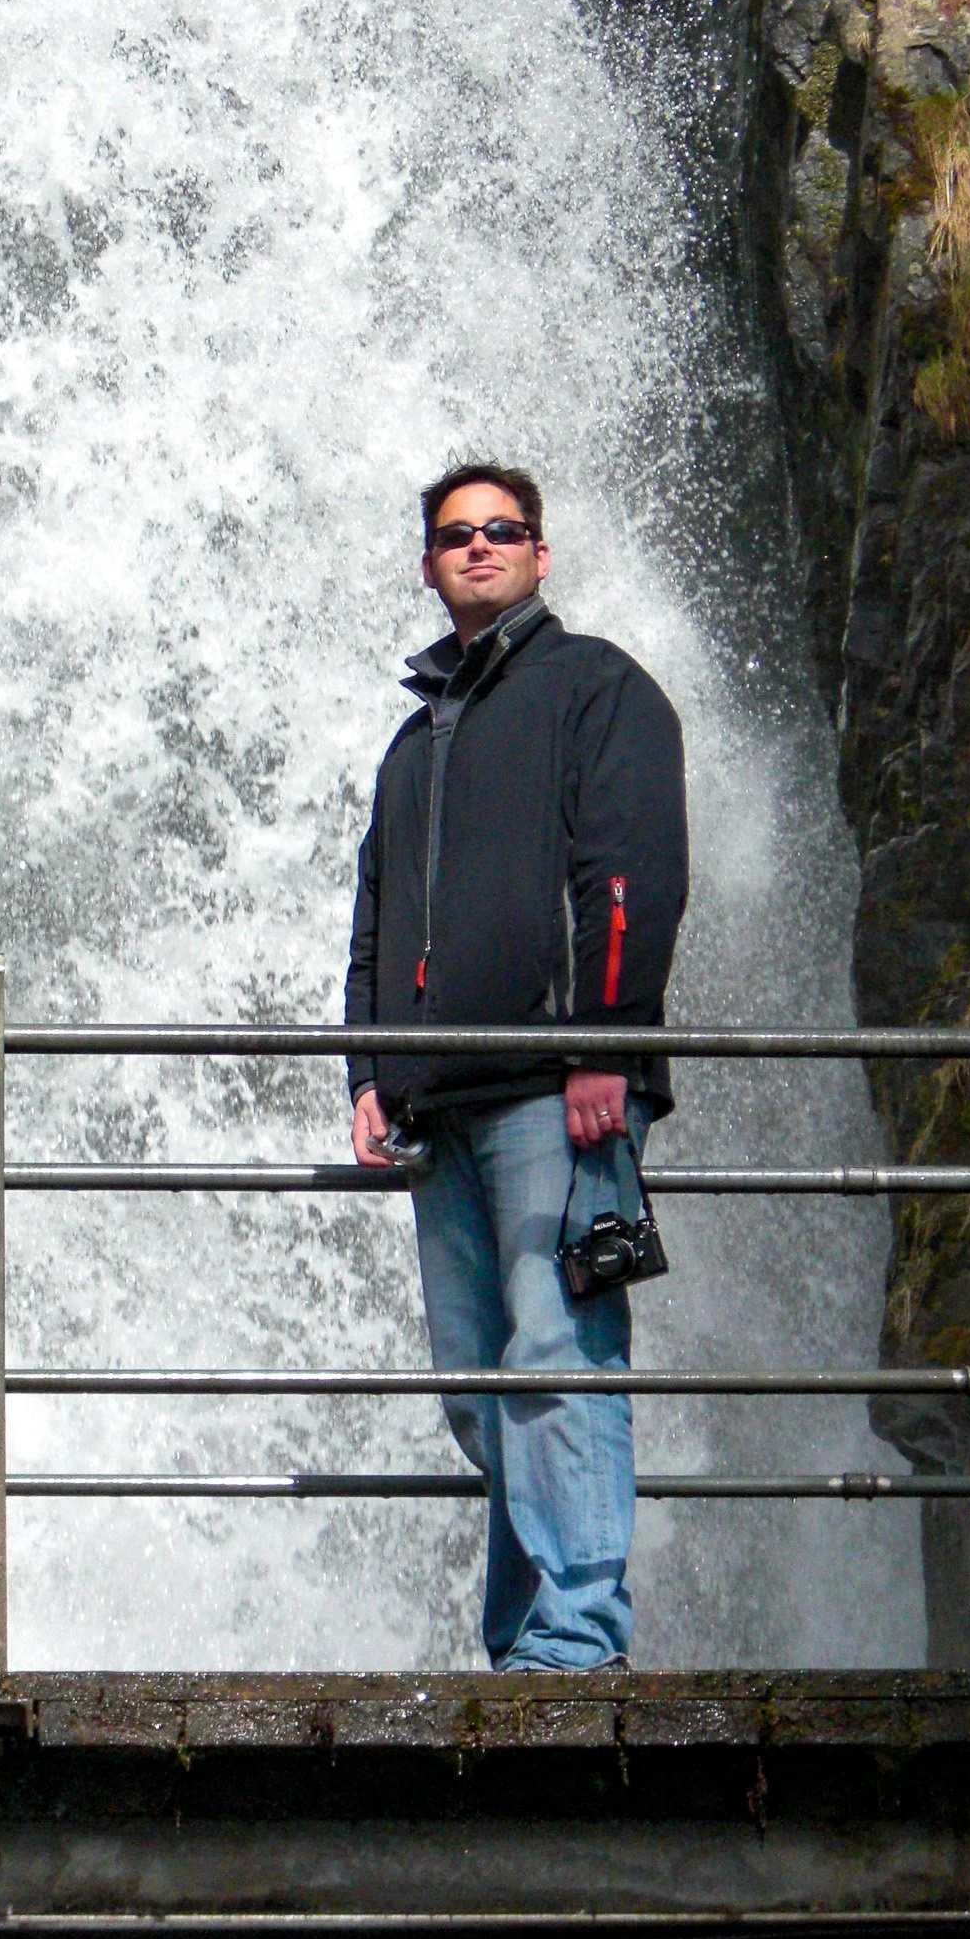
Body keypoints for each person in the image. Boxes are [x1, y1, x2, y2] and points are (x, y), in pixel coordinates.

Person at [344, 462, 688, 1672]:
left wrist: (604, 1040)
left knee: (553, 1357)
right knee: (479, 1386)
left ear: (539, 553)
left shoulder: (593, 686)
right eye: (454, 534)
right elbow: (375, 918)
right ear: (427, 563)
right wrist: (367, 1073)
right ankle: (523, 1634)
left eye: (501, 529)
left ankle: (578, 1639)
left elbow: (631, 871)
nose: (477, 546)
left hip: (558, 1091)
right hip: (439, 1104)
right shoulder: (413, 741)